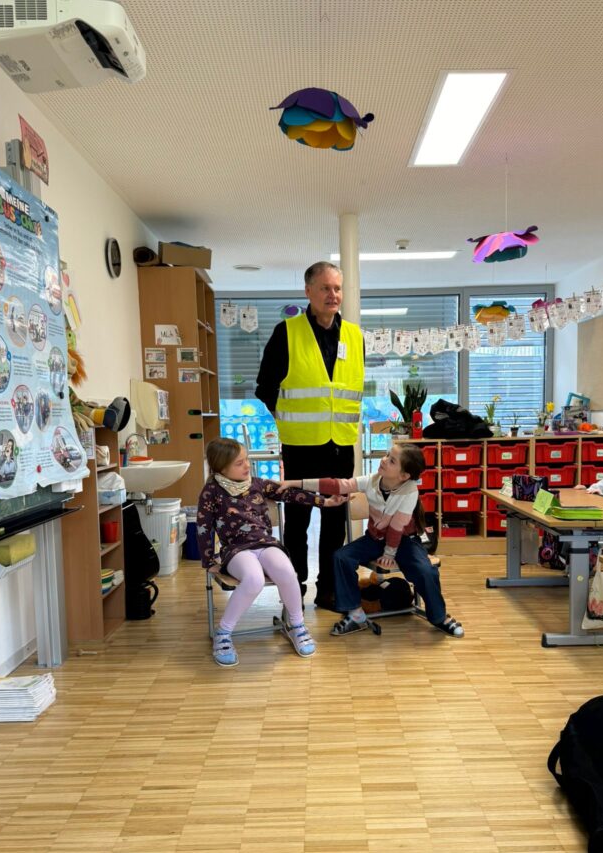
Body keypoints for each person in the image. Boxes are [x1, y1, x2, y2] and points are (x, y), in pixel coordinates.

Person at [255, 261, 364, 611]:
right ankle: (295, 590)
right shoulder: (286, 332)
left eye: (337, 288)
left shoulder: (355, 336)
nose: (333, 295)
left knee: (334, 523)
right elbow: (265, 387)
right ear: (308, 291)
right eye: (325, 288)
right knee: (298, 522)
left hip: (340, 445)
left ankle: (329, 589)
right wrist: (287, 420)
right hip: (301, 446)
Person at [278, 443, 463, 638]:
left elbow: (397, 526)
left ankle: (439, 617)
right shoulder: (372, 481)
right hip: (375, 539)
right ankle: (355, 614)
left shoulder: (410, 491)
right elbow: (336, 485)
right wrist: (295, 483)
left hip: (405, 541)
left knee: (425, 570)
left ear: (404, 475)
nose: (384, 460)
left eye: (391, 460)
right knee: (341, 557)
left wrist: (389, 553)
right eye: (387, 455)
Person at [196, 437, 347, 668]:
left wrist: (324, 502)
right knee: (254, 579)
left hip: (266, 544)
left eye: (246, 459)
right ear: (221, 468)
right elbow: (203, 526)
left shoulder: (257, 483)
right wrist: (208, 560)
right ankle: (223, 633)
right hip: (236, 550)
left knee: (288, 572)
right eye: (239, 463)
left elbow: (290, 494)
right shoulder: (211, 491)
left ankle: (297, 625)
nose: (247, 466)